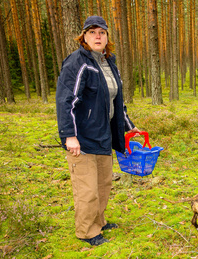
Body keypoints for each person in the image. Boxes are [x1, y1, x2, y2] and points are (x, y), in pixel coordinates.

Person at [56, 16, 140, 246]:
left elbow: (116, 100)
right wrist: (69, 136)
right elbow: (66, 101)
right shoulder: (77, 62)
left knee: (103, 184)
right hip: (82, 138)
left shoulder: (107, 62)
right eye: (92, 32)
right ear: (83, 36)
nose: (98, 36)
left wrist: (129, 127)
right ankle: (86, 231)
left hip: (104, 135)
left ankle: (99, 221)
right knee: (87, 188)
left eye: (102, 32)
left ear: (107, 37)